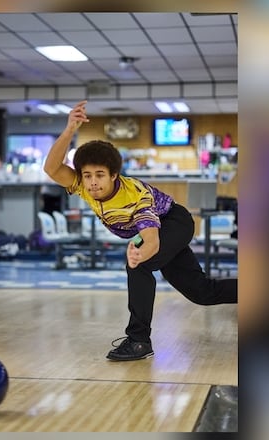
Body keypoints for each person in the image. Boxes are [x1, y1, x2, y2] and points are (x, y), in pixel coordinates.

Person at [43, 100, 238, 361]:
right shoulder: (83, 185)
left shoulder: (134, 196)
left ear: (114, 175)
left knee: (139, 265)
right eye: (87, 175)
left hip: (174, 223)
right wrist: (69, 130)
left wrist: (138, 255)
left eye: (99, 175)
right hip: (160, 231)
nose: (92, 182)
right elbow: (52, 168)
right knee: (202, 292)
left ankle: (138, 341)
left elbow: (152, 242)